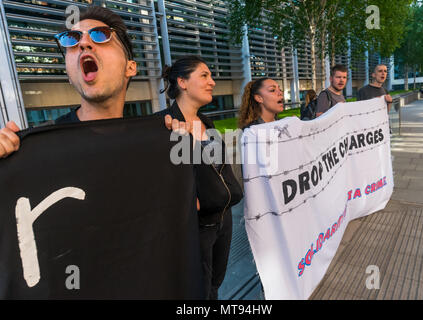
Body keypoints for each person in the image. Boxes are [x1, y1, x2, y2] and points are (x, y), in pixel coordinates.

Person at [0, 5, 137, 156]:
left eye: (100, 34)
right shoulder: (40, 150)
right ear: (70, 76)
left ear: (129, 68)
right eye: (72, 39)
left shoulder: (156, 139)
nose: (84, 43)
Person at [158, 56, 243, 300]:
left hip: (223, 219)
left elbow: (218, 168)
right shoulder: (165, 125)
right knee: (198, 290)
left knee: (215, 285)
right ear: (182, 82)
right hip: (197, 227)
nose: (212, 82)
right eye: (204, 75)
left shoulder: (206, 122)